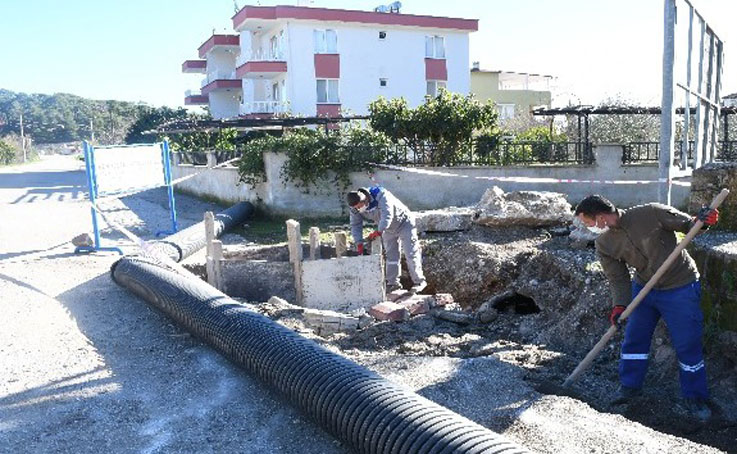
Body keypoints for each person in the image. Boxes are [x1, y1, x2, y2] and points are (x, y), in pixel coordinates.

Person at [574, 194, 719, 421]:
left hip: (680, 286)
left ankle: (695, 397)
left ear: (601, 218)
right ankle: (630, 387)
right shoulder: (604, 243)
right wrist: (620, 305)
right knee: (634, 339)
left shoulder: (650, 212)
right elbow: (618, 278)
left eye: (587, 222)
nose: (587, 227)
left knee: (687, 343)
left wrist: (704, 220)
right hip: (644, 290)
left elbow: (689, 225)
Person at [346, 186, 426, 293]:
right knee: (391, 255)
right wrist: (359, 242)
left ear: (364, 199)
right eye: (355, 207)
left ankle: (419, 281)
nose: (358, 209)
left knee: (410, 252)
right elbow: (355, 224)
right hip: (386, 229)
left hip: (404, 222)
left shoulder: (381, 195)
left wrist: (379, 231)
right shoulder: (355, 208)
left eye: (359, 206)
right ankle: (393, 284)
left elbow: (387, 215)